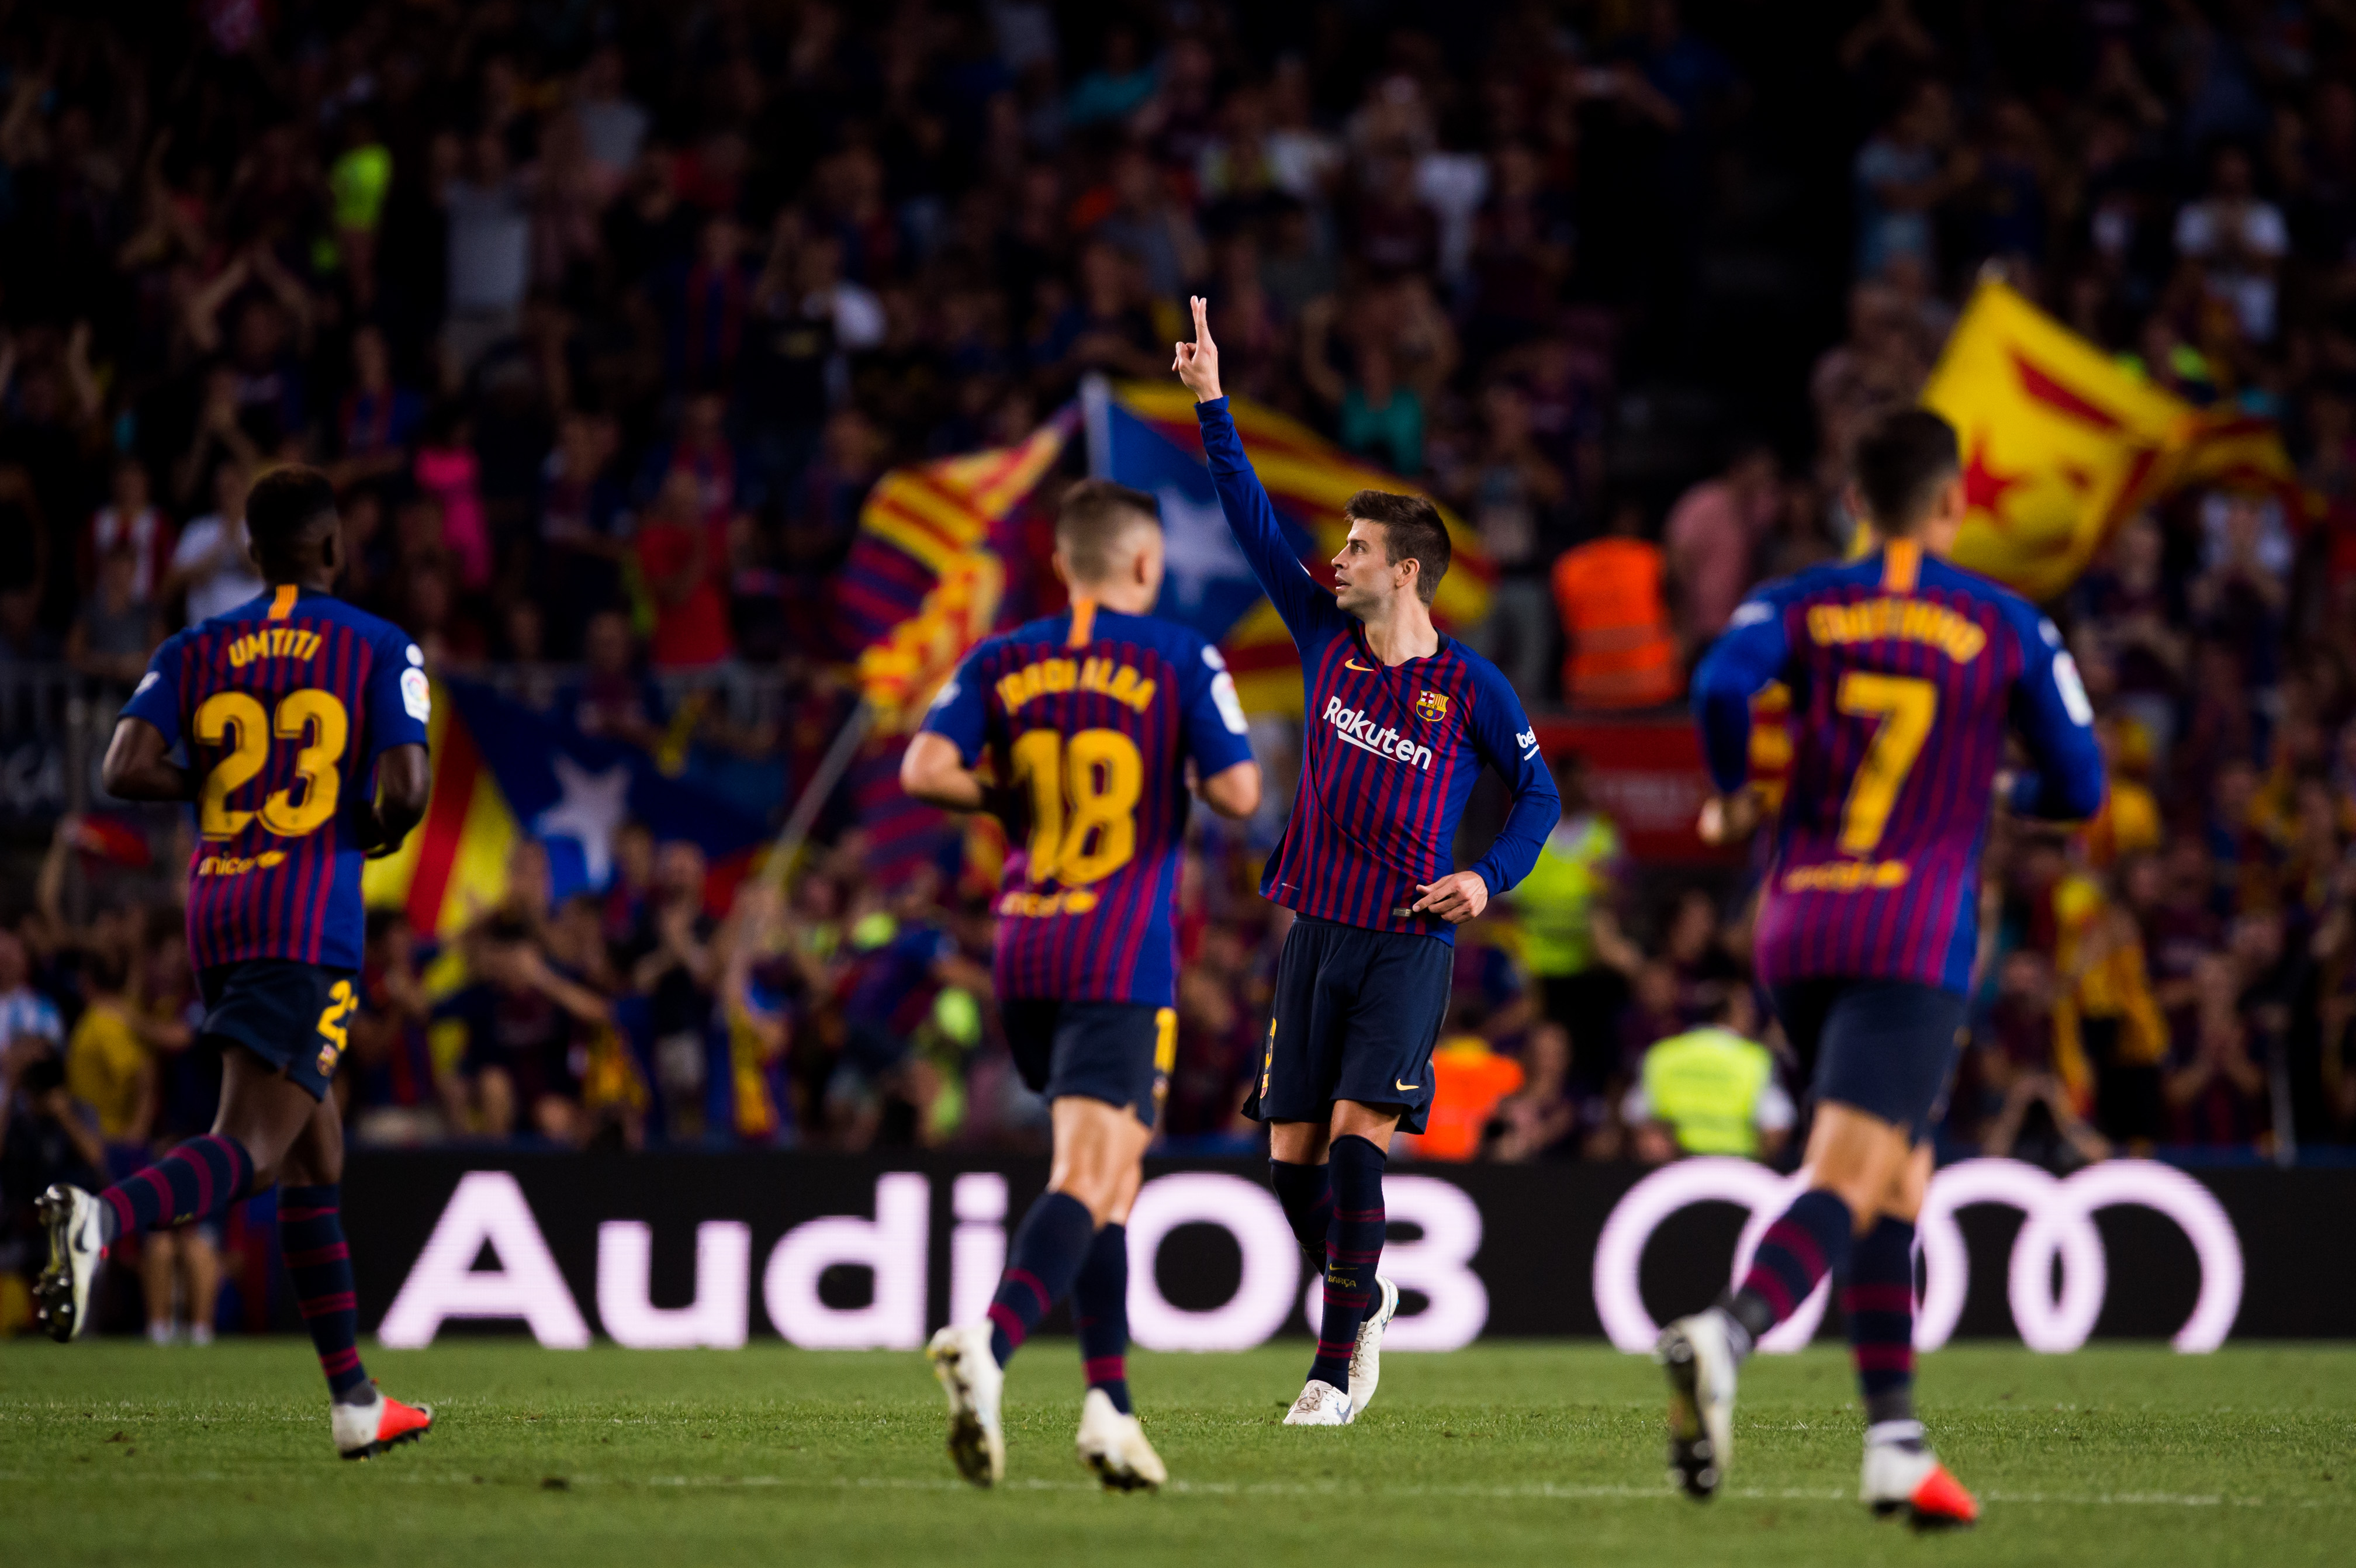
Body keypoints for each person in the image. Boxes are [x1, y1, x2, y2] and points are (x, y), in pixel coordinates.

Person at [1670, 407, 2104, 1524]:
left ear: (1855, 501)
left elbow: (1722, 686)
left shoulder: (1801, 600)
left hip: (1798, 924)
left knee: (1898, 1176)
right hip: (1912, 935)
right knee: (1853, 1174)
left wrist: (1728, 794)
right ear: (1957, 501)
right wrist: (2004, 793)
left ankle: (1898, 1447)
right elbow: (2083, 789)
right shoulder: (2005, 622)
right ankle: (1729, 1334)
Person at [1175, 297, 1560, 1426]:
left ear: (1406, 575)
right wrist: (1212, 404)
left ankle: (1334, 1369)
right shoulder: (1322, 638)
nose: (1332, 559)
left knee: (1352, 1156)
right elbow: (1246, 517)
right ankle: (1368, 1292)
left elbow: (1536, 792)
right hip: (1315, 936)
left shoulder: (1473, 688)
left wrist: (1490, 876)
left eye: (1354, 548)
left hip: (1407, 943)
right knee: (1290, 1172)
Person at [36, 466, 437, 1462]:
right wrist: (363, 825)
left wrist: (225, 787)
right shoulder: (380, 644)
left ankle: (354, 1401)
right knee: (253, 1147)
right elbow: (409, 789)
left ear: (251, 554)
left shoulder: (197, 644)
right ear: (336, 548)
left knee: (316, 1151)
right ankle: (99, 1220)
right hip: (309, 923)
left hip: (219, 911)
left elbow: (123, 768)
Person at [903, 477, 1262, 1490]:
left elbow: (925, 771)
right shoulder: (1179, 655)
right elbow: (1239, 793)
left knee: (1112, 1180)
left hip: (1025, 945)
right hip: (1121, 952)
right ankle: (992, 1344)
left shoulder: (1004, 657)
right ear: (1147, 564)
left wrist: (1013, 797)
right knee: (1091, 1177)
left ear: (1061, 565)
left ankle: (1112, 1410)